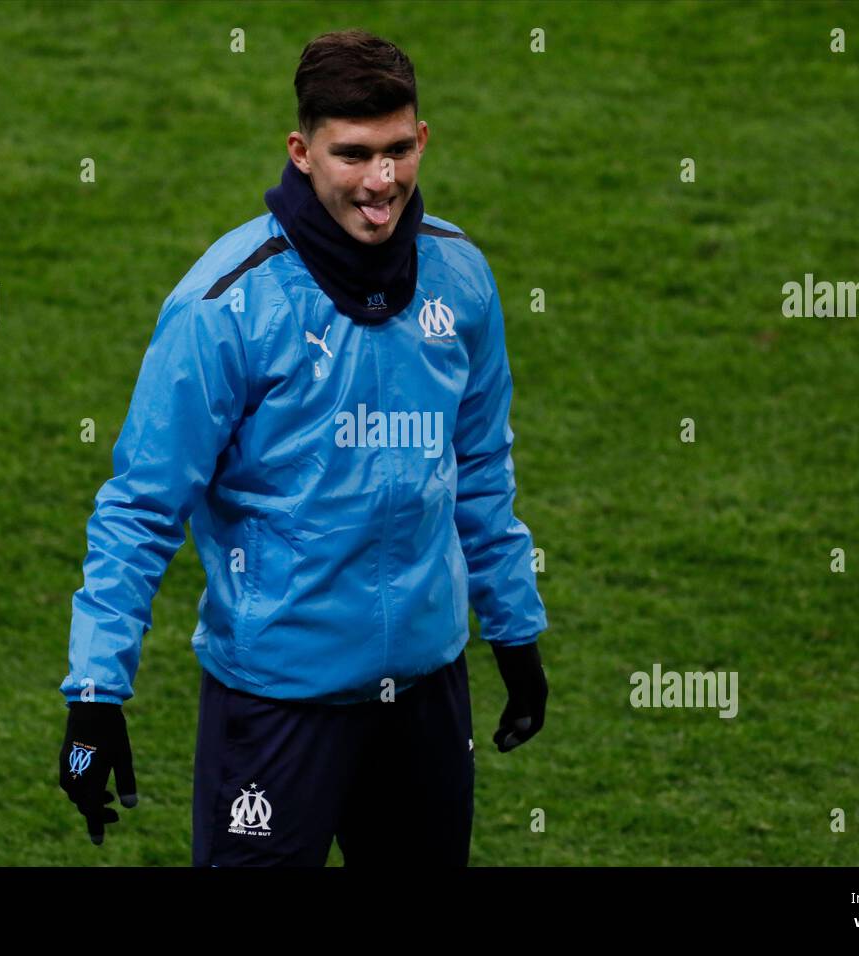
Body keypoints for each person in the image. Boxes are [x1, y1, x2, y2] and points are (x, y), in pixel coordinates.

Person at [58, 29, 548, 866]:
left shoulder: (461, 277)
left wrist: (515, 629)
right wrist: (97, 695)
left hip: (427, 698)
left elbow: (478, 470)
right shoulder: (225, 305)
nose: (381, 181)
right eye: (353, 154)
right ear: (302, 151)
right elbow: (141, 508)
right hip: (277, 710)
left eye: (399, 149)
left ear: (423, 139)